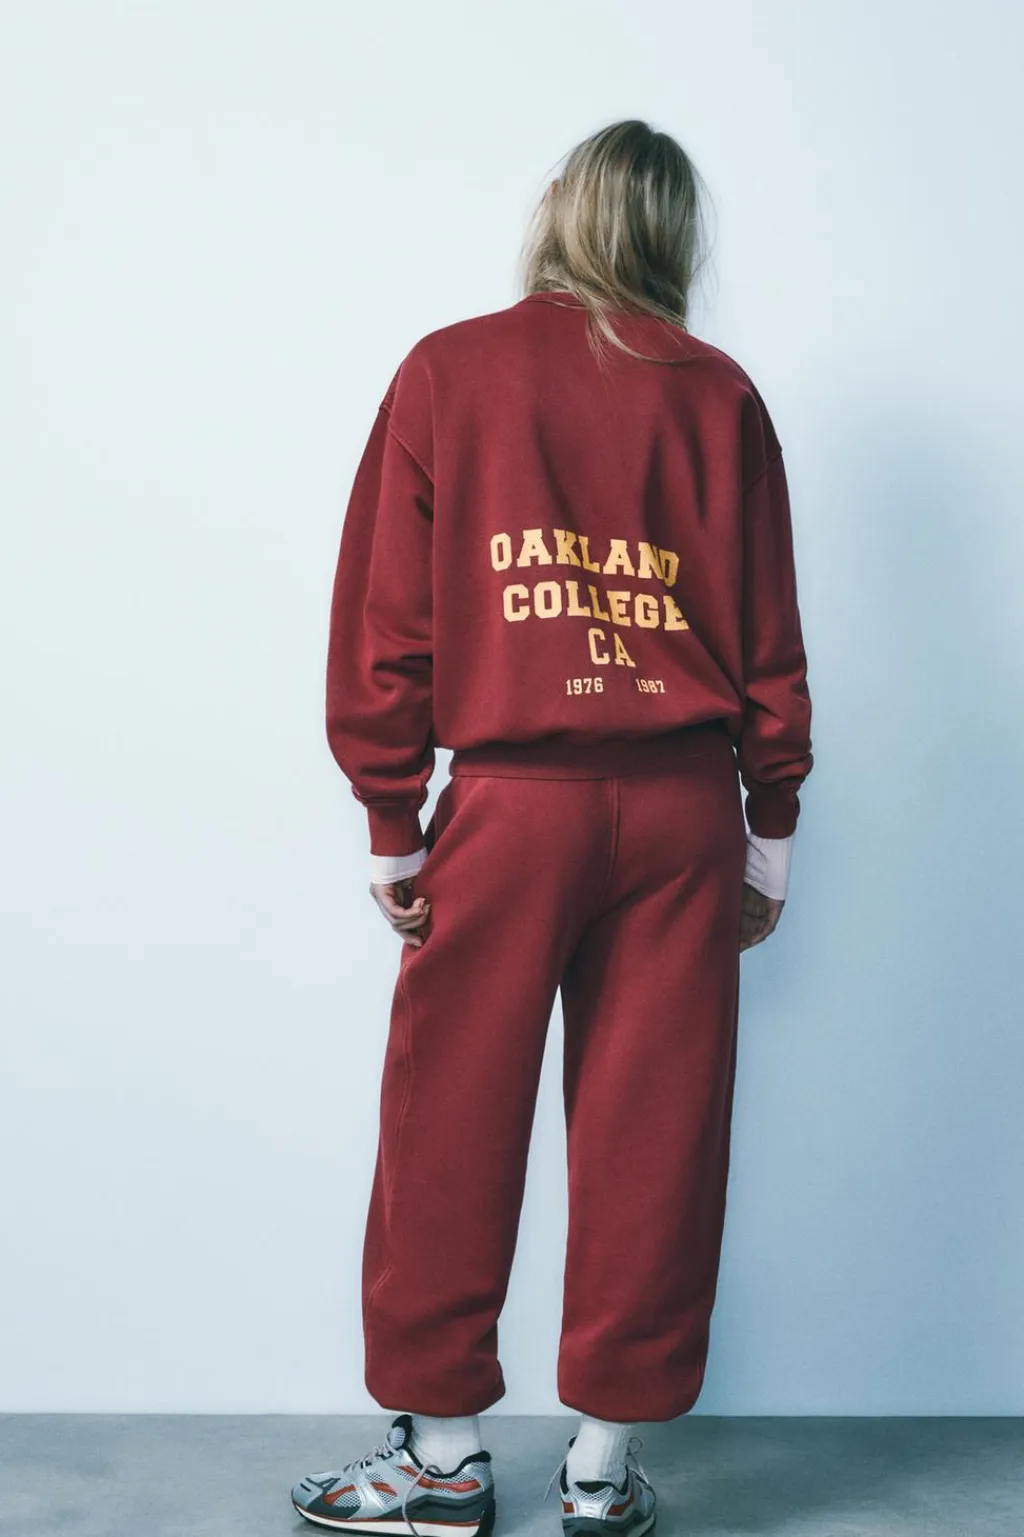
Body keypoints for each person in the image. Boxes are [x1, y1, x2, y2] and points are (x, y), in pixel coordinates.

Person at [291, 118, 813, 1537]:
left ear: (559, 213)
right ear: (675, 234)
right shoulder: (719, 395)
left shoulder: (451, 371)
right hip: (684, 810)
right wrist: (769, 831)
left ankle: (441, 1458)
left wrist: (393, 822)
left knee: (448, 1116)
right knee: (658, 1130)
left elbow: (389, 620)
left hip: (512, 806)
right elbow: (768, 635)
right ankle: (599, 1467)